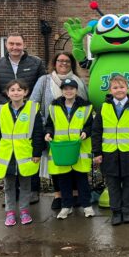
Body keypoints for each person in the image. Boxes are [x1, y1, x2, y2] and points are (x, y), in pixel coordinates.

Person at [0, 33, 45, 204]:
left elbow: (42, 85)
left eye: (18, 44)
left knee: (29, 152)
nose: (15, 47)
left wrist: (25, 104)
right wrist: (9, 104)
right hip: (7, 114)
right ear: (6, 45)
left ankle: (32, 191)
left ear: (24, 44)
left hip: (29, 112)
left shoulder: (36, 62)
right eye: (11, 44)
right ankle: (11, 196)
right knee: (10, 152)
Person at [31, 52, 88, 210]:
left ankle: (76, 194)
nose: (63, 63)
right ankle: (58, 194)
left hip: (76, 133)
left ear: (72, 64)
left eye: (67, 61)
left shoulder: (79, 82)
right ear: (54, 63)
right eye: (60, 61)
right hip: (53, 132)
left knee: (76, 161)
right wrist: (44, 125)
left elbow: (86, 104)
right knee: (57, 163)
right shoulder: (45, 80)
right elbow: (34, 103)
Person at [92, 75, 129, 226]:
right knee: (113, 184)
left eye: (122, 87)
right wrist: (97, 153)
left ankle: (126, 211)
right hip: (109, 153)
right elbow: (96, 131)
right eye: (115, 87)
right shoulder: (104, 108)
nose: (119, 90)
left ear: (127, 88)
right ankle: (116, 212)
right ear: (110, 90)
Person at [0, 80, 44, 226]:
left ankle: (24, 211)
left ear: (25, 92)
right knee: (9, 186)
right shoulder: (1, 110)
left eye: (19, 90)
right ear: (7, 93)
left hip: (25, 155)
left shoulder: (32, 109)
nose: (16, 92)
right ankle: (10, 212)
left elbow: (38, 133)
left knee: (26, 185)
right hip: (7, 156)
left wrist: (37, 152)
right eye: (12, 90)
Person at [44, 78, 95, 220]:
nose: (68, 91)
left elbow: (90, 125)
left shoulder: (85, 106)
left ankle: (87, 206)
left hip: (79, 148)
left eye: (71, 88)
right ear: (62, 91)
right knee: (64, 179)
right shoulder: (54, 106)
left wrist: (86, 132)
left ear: (76, 90)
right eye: (65, 88)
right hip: (61, 149)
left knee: (81, 179)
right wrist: (48, 133)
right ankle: (66, 206)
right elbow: (49, 124)